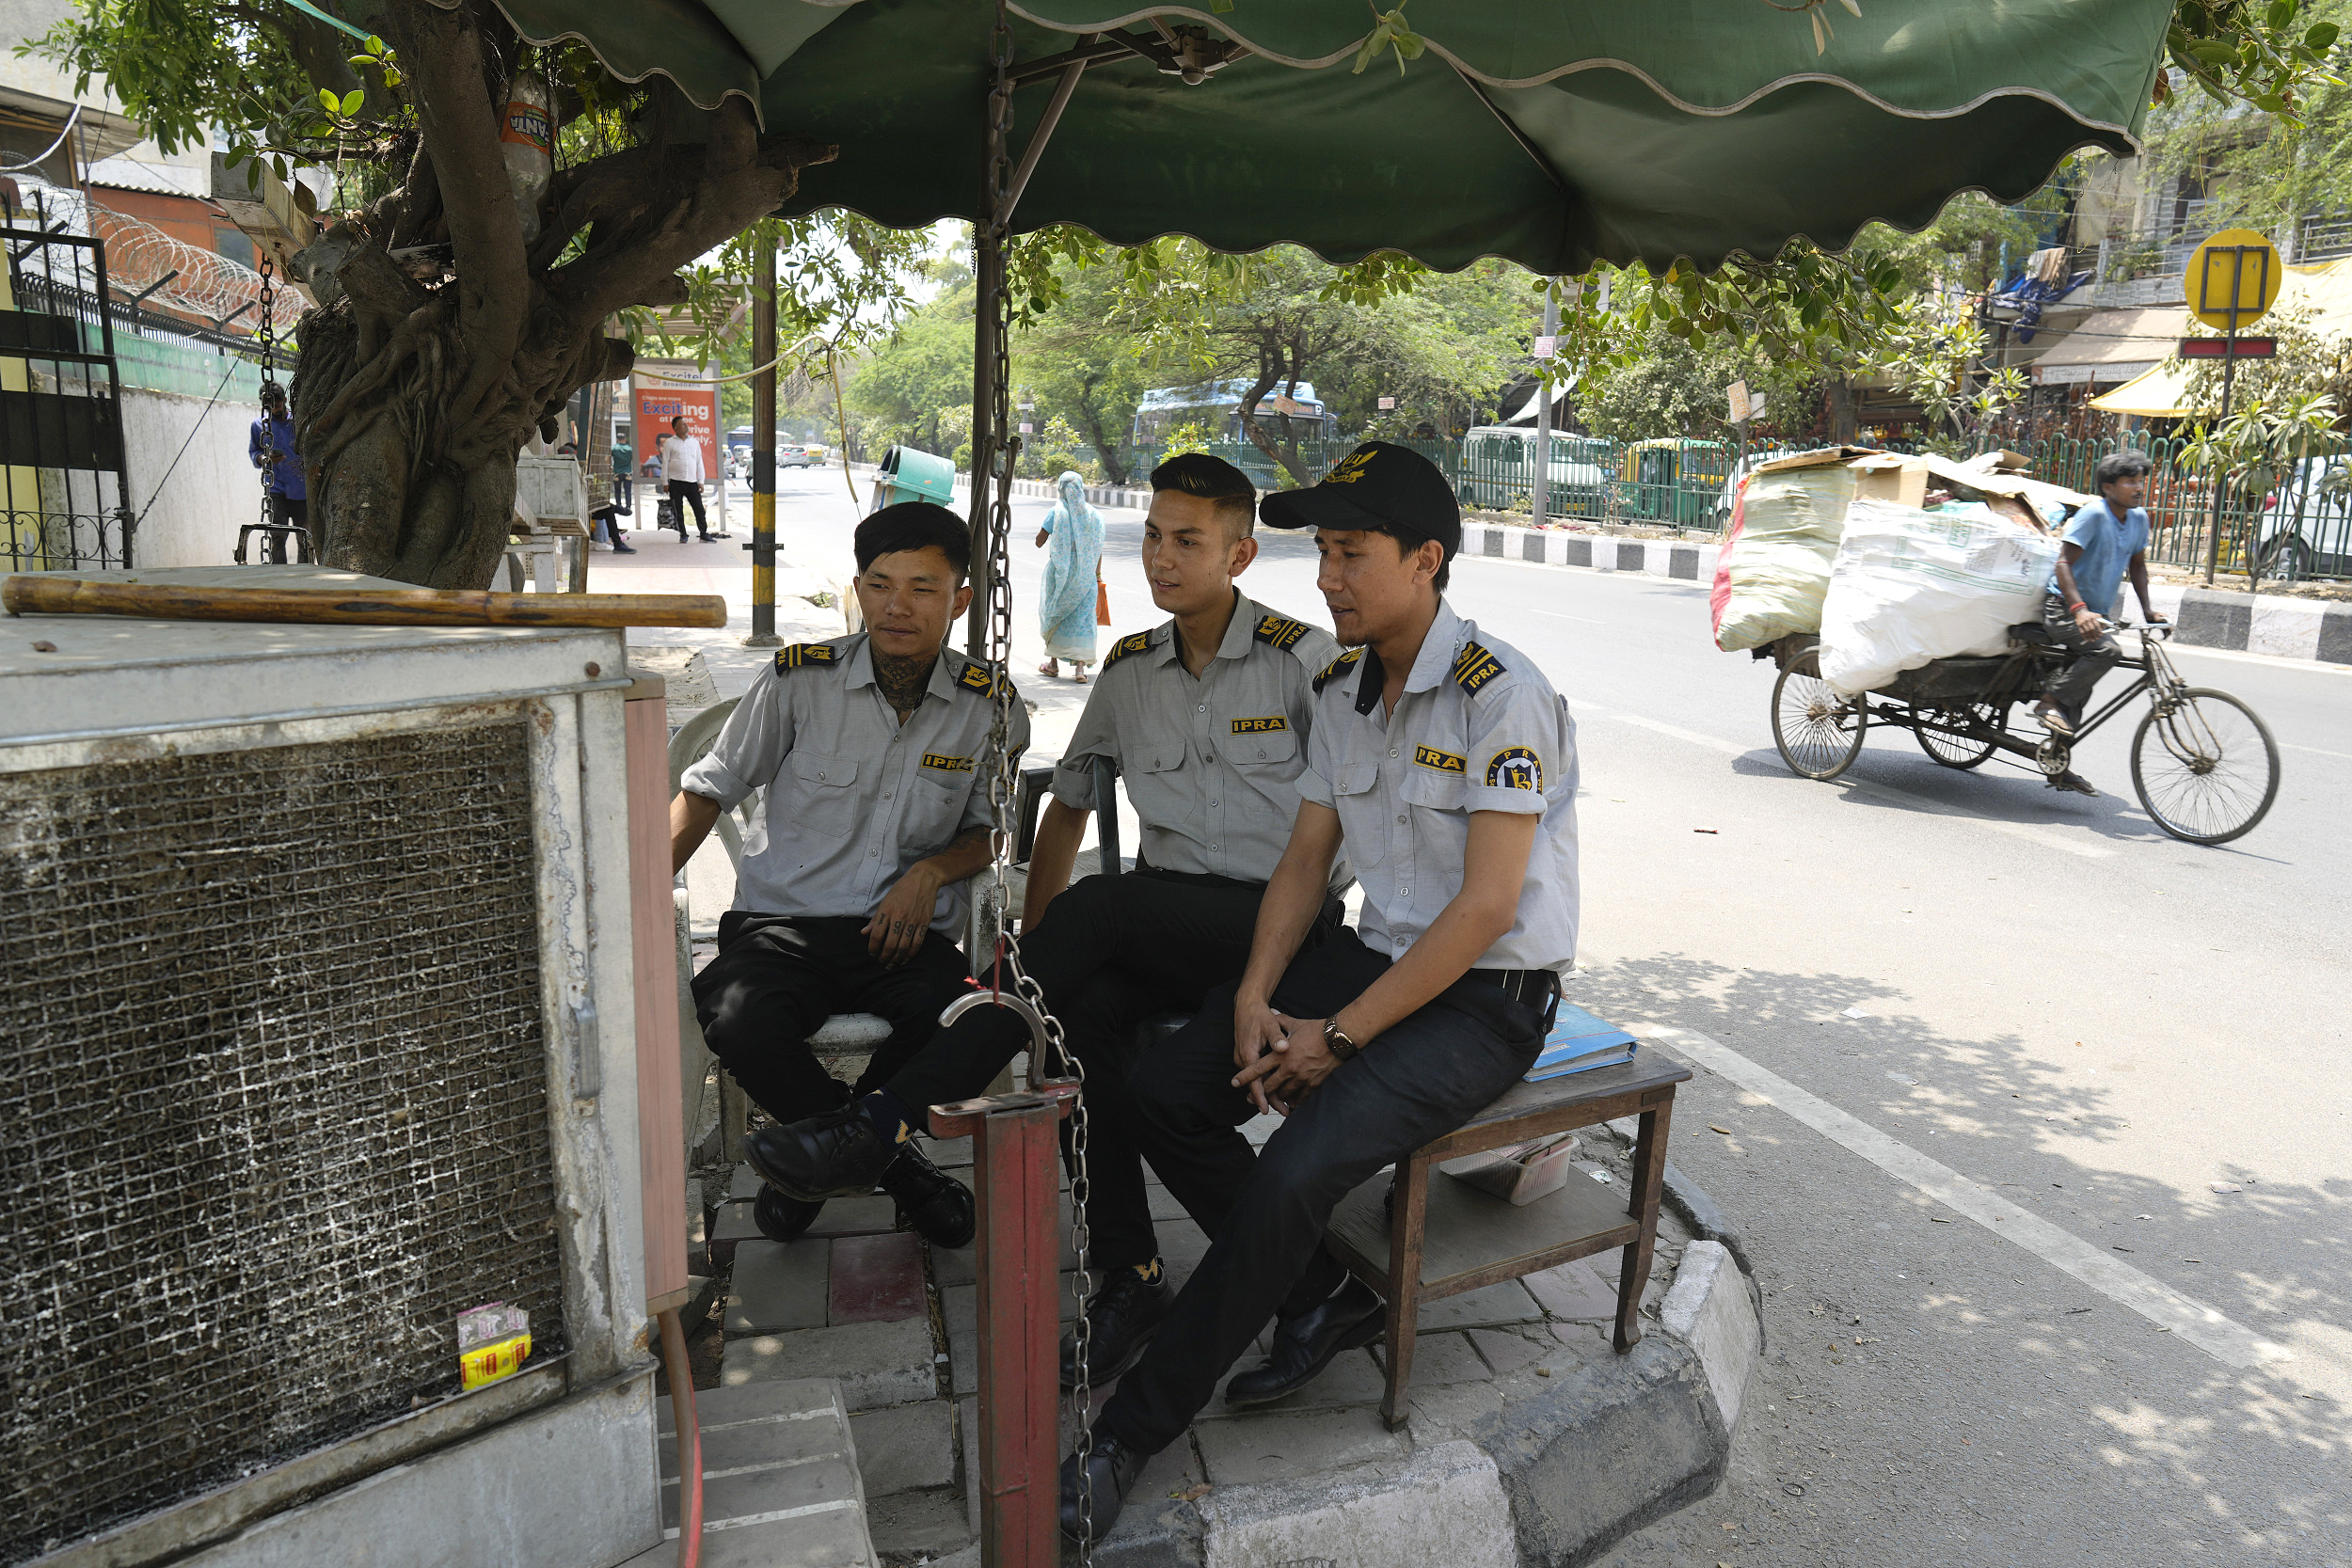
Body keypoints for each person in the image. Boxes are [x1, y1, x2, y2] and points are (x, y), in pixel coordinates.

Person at [1057, 442, 1579, 1542]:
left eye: (1352, 553)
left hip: (1486, 996)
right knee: (1163, 1086)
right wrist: (1255, 992)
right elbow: (1302, 863)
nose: (1328, 577)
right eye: (1322, 553)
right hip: (1374, 966)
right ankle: (1313, 1295)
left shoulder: (1502, 696)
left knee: (1295, 1163)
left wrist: (1334, 1036)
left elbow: (1485, 912)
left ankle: (1130, 1433)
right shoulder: (1344, 690)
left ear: (1426, 560)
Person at [749, 453, 1342, 1386]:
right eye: (1152, 534)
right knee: (1081, 1016)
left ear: (1239, 553)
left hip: (1280, 922)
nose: (1160, 556)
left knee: (1099, 908)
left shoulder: (1303, 662)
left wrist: (1035, 948)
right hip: (1167, 924)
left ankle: (885, 1119)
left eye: (1187, 540)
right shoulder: (1131, 666)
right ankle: (1130, 1270)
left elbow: (1343, 828)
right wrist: (1038, 956)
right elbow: (1065, 804)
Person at [673, 501, 1030, 1247]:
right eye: (879, 583)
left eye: (923, 587)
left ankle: (813, 1163)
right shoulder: (799, 681)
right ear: (859, 590)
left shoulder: (988, 706)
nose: (896, 605)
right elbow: (709, 790)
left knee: (970, 1018)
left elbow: (988, 832)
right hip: (782, 927)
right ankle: (892, 1168)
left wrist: (931, 871)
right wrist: (634, 896)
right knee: (735, 1016)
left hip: (901, 937)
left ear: (961, 599)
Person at [2034, 450, 2167, 796]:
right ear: (2109, 487)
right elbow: (2062, 563)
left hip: (2095, 614)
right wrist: (2079, 609)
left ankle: (2058, 764)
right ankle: (2048, 700)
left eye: (2141, 481)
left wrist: (2149, 611)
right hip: (2063, 607)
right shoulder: (2094, 514)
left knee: (2079, 692)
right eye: (2130, 482)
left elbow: (2137, 566)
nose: (2139, 488)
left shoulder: (2138, 518)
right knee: (2105, 652)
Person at [1035, 469, 1104, 681]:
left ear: (1061, 489)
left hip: (1060, 576)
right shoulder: (1094, 516)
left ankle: (1053, 665)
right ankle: (1080, 670)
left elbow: (1039, 541)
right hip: (1086, 577)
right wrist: (1097, 575)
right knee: (1082, 620)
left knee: (1057, 615)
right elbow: (1097, 549)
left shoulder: (1056, 513)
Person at [247, 383, 308, 563]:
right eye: (270, 406)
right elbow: (254, 452)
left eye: (277, 404)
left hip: (301, 489)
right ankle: (280, 575)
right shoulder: (259, 425)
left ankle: (305, 575)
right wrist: (264, 458)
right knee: (278, 537)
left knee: (304, 537)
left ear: (285, 400)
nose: (274, 409)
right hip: (277, 488)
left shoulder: (298, 422)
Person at [660, 416, 714, 542]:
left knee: (699, 509)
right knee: (678, 510)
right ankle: (683, 534)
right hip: (675, 482)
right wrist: (665, 482)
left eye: (686, 424)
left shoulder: (694, 442)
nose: (686, 426)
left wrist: (701, 481)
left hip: (691, 482)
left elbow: (699, 462)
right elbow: (665, 463)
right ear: (676, 428)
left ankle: (703, 533)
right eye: (683, 424)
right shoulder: (670, 442)